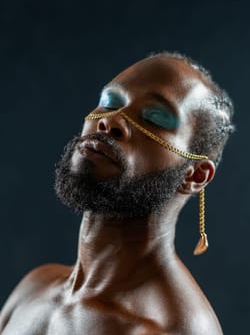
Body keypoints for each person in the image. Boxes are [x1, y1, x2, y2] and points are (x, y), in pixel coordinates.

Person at [0, 52, 234, 335]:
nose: (111, 121)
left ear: (195, 175)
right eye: (109, 102)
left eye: (154, 118)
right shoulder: (34, 287)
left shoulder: (171, 329)